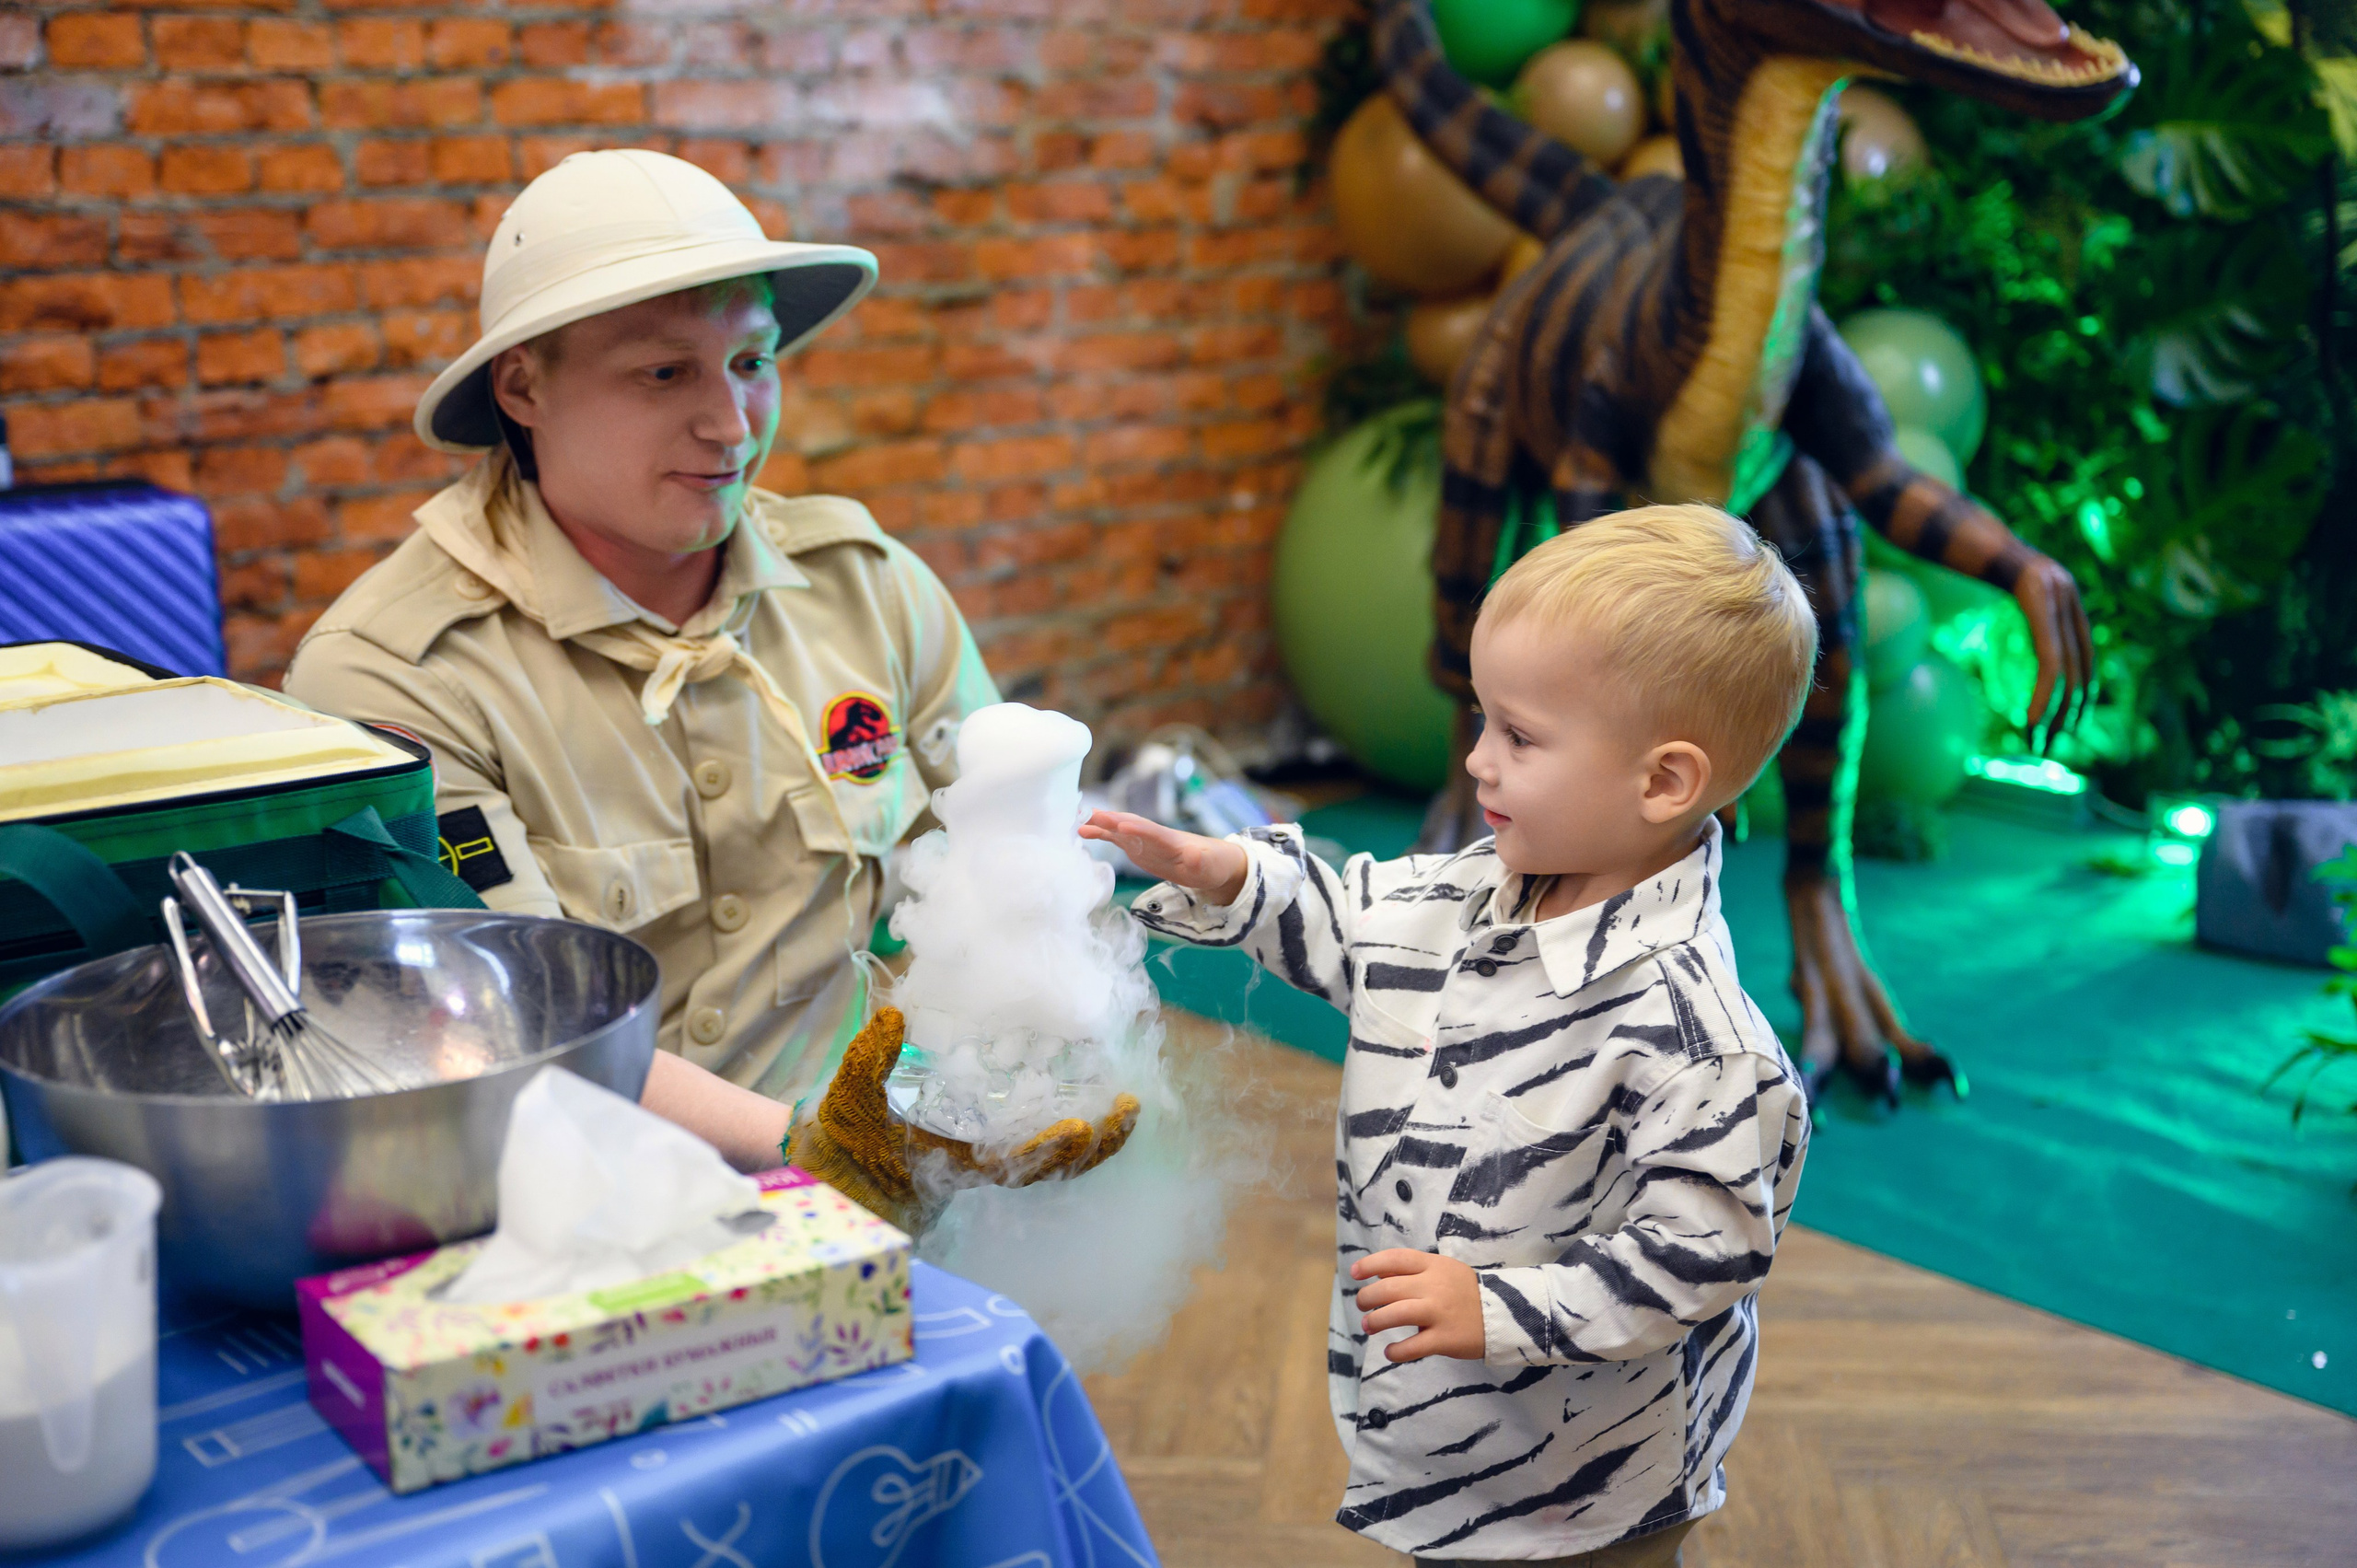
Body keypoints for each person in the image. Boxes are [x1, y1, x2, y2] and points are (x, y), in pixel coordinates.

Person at [1083, 504, 1816, 1564]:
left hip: (1585, 1483)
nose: (1477, 760)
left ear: (1662, 780)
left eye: (1518, 736)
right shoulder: (1468, 889)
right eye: (1481, 719)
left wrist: (1498, 1304)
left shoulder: (1697, 1040)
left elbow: (1693, 1261)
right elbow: (1349, 924)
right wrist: (1233, 876)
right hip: (1439, 1430)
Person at [285, 149, 999, 1169]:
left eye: (752, 362)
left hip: (878, 1182)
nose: (729, 424)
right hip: (569, 1227)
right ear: (524, 386)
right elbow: (511, 1017)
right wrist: (814, 1149)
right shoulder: (396, 676)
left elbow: (999, 864)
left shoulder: (864, 587)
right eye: (663, 372)